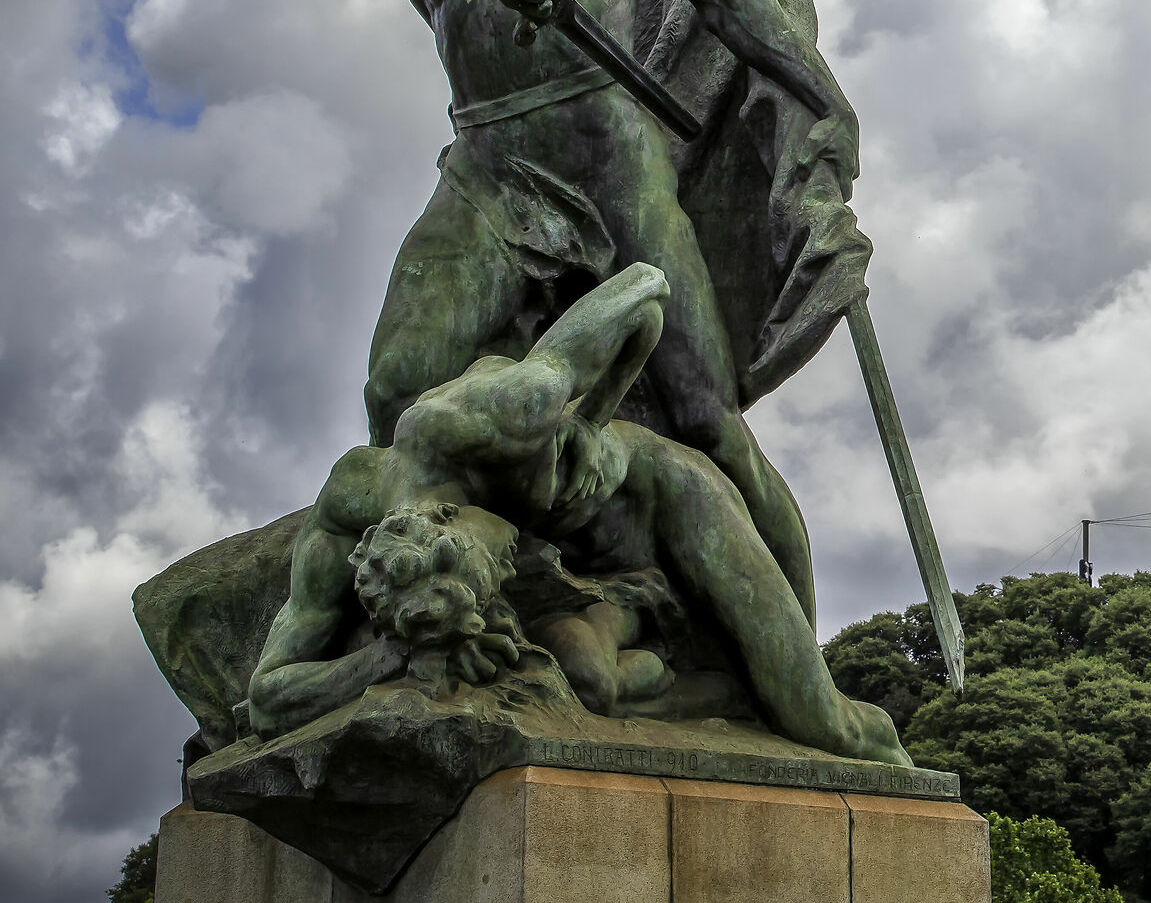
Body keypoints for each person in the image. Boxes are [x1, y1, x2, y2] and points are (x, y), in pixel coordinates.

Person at [305, 0, 850, 622]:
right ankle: (510, 588)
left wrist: (818, 91)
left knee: (704, 419)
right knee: (400, 394)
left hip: (609, 154)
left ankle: (795, 661)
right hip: (487, 168)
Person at [246, 264, 908, 767]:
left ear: (453, 509)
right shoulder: (343, 523)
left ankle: (900, 795)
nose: (512, 557)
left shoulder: (500, 414)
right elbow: (269, 695)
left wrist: (592, 417)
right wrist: (385, 658)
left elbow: (646, 287)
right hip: (587, 580)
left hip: (662, 502)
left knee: (820, 722)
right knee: (584, 678)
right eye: (500, 569)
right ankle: (671, 670)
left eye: (494, 559)